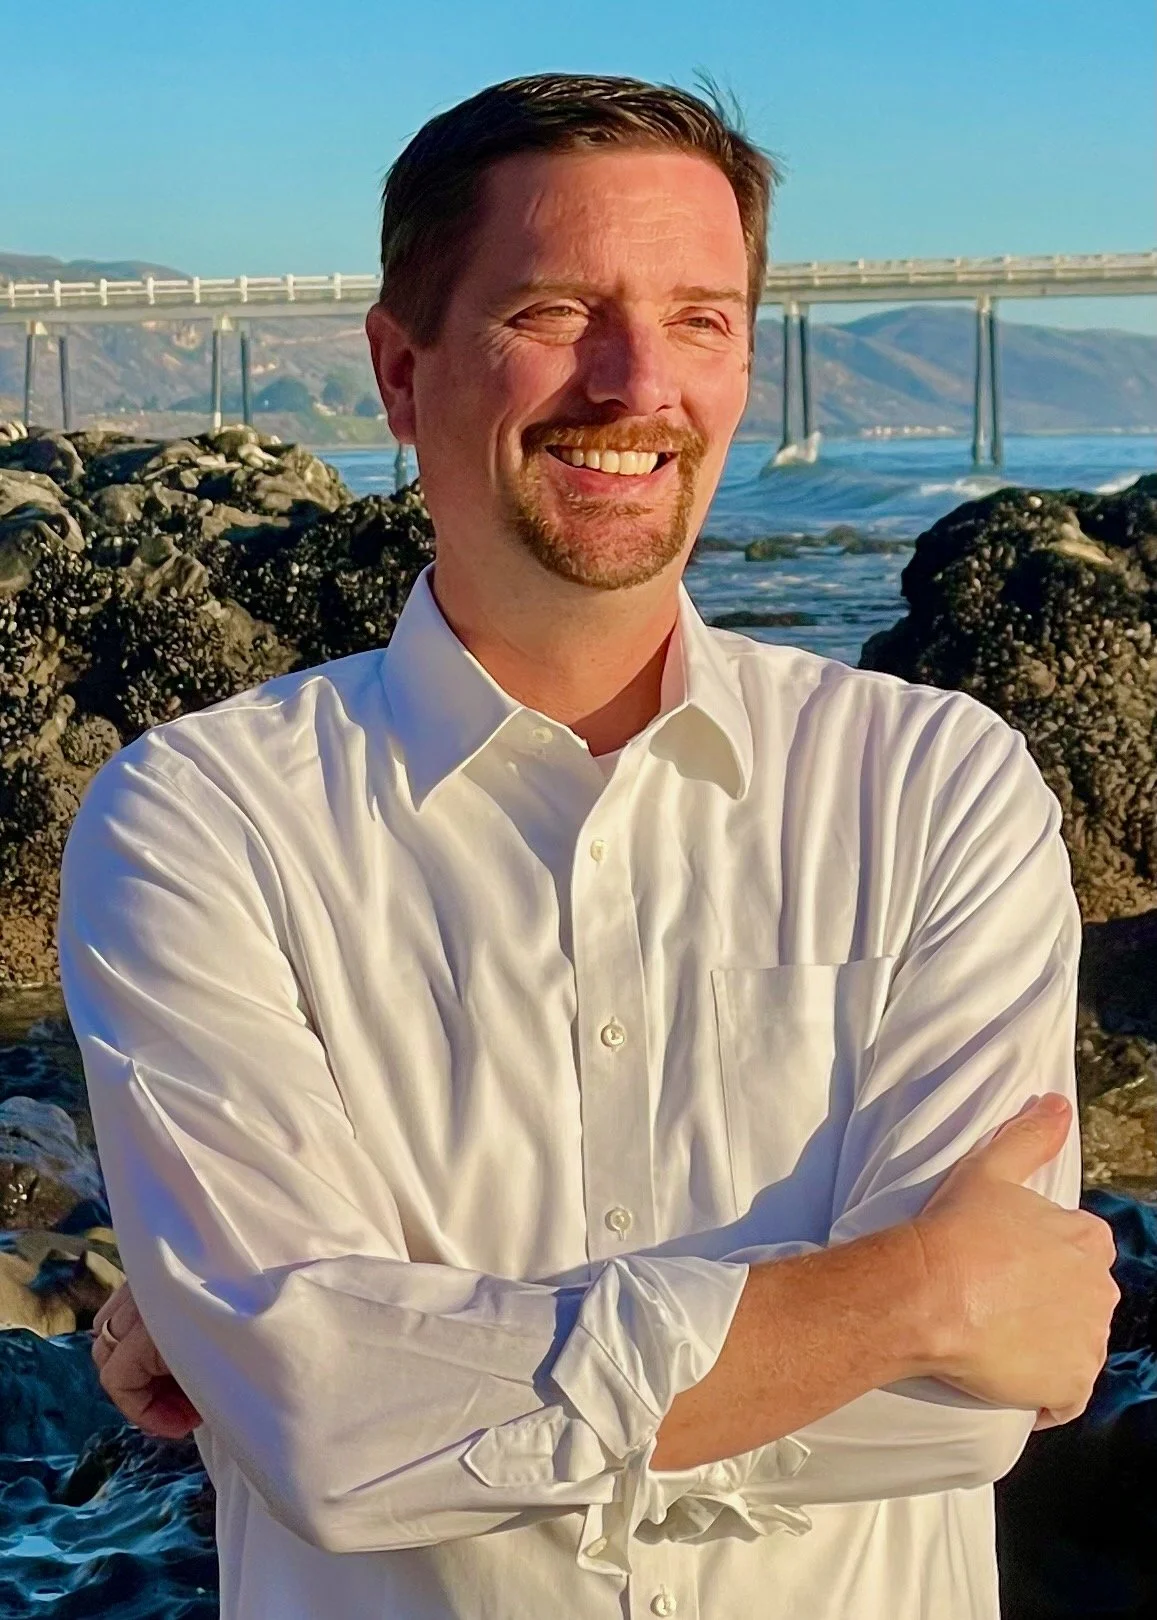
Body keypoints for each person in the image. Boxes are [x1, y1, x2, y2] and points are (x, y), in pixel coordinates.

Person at [61, 73, 1118, 1620]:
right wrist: (918, 1292)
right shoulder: (201, 821)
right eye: (557, 310)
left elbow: (956, 1421)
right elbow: (324, 1428)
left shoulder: (939, 786)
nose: (637, 383)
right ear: (399, 370)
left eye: (700, 317)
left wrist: (375, 1368)